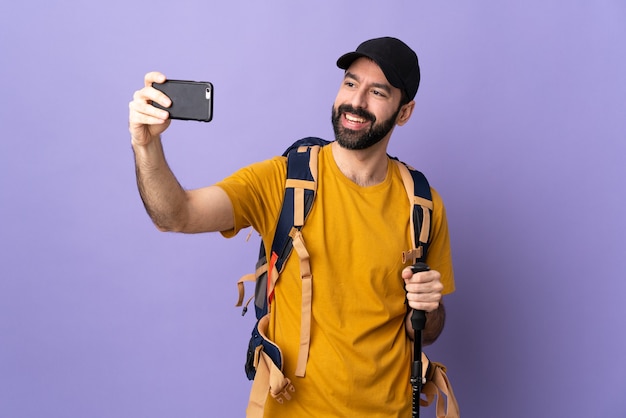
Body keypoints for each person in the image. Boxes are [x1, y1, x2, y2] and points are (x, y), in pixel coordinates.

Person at [129, 36, 455, 417]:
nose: (356, 101)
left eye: (377, 92)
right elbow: (176, 215)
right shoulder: (282, 181)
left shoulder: (423, 204)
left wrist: (428, 308)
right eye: (350, 83)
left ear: (404, 112)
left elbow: (427, 330)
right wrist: (145, 146)